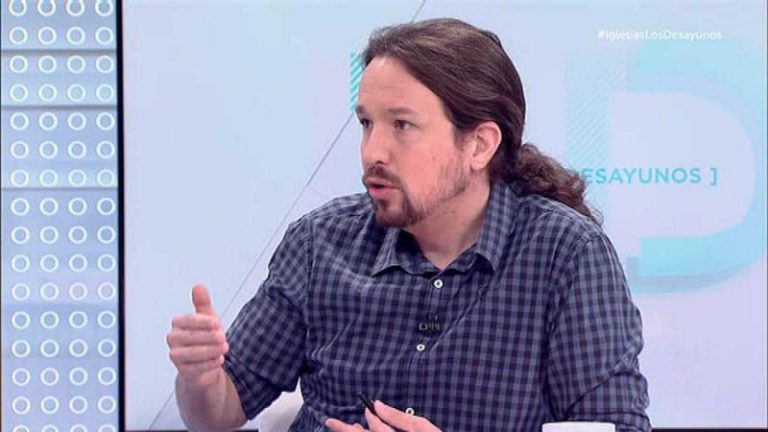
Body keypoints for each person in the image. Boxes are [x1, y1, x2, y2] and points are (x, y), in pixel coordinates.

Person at [166, 18, 651, 431]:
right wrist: (201, 380)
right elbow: (220, 413)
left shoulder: (566, 254)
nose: (372, 151)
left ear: (479, 145)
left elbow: (614, 425)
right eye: (366, 123)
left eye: (402, 125)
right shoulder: (318, 243)